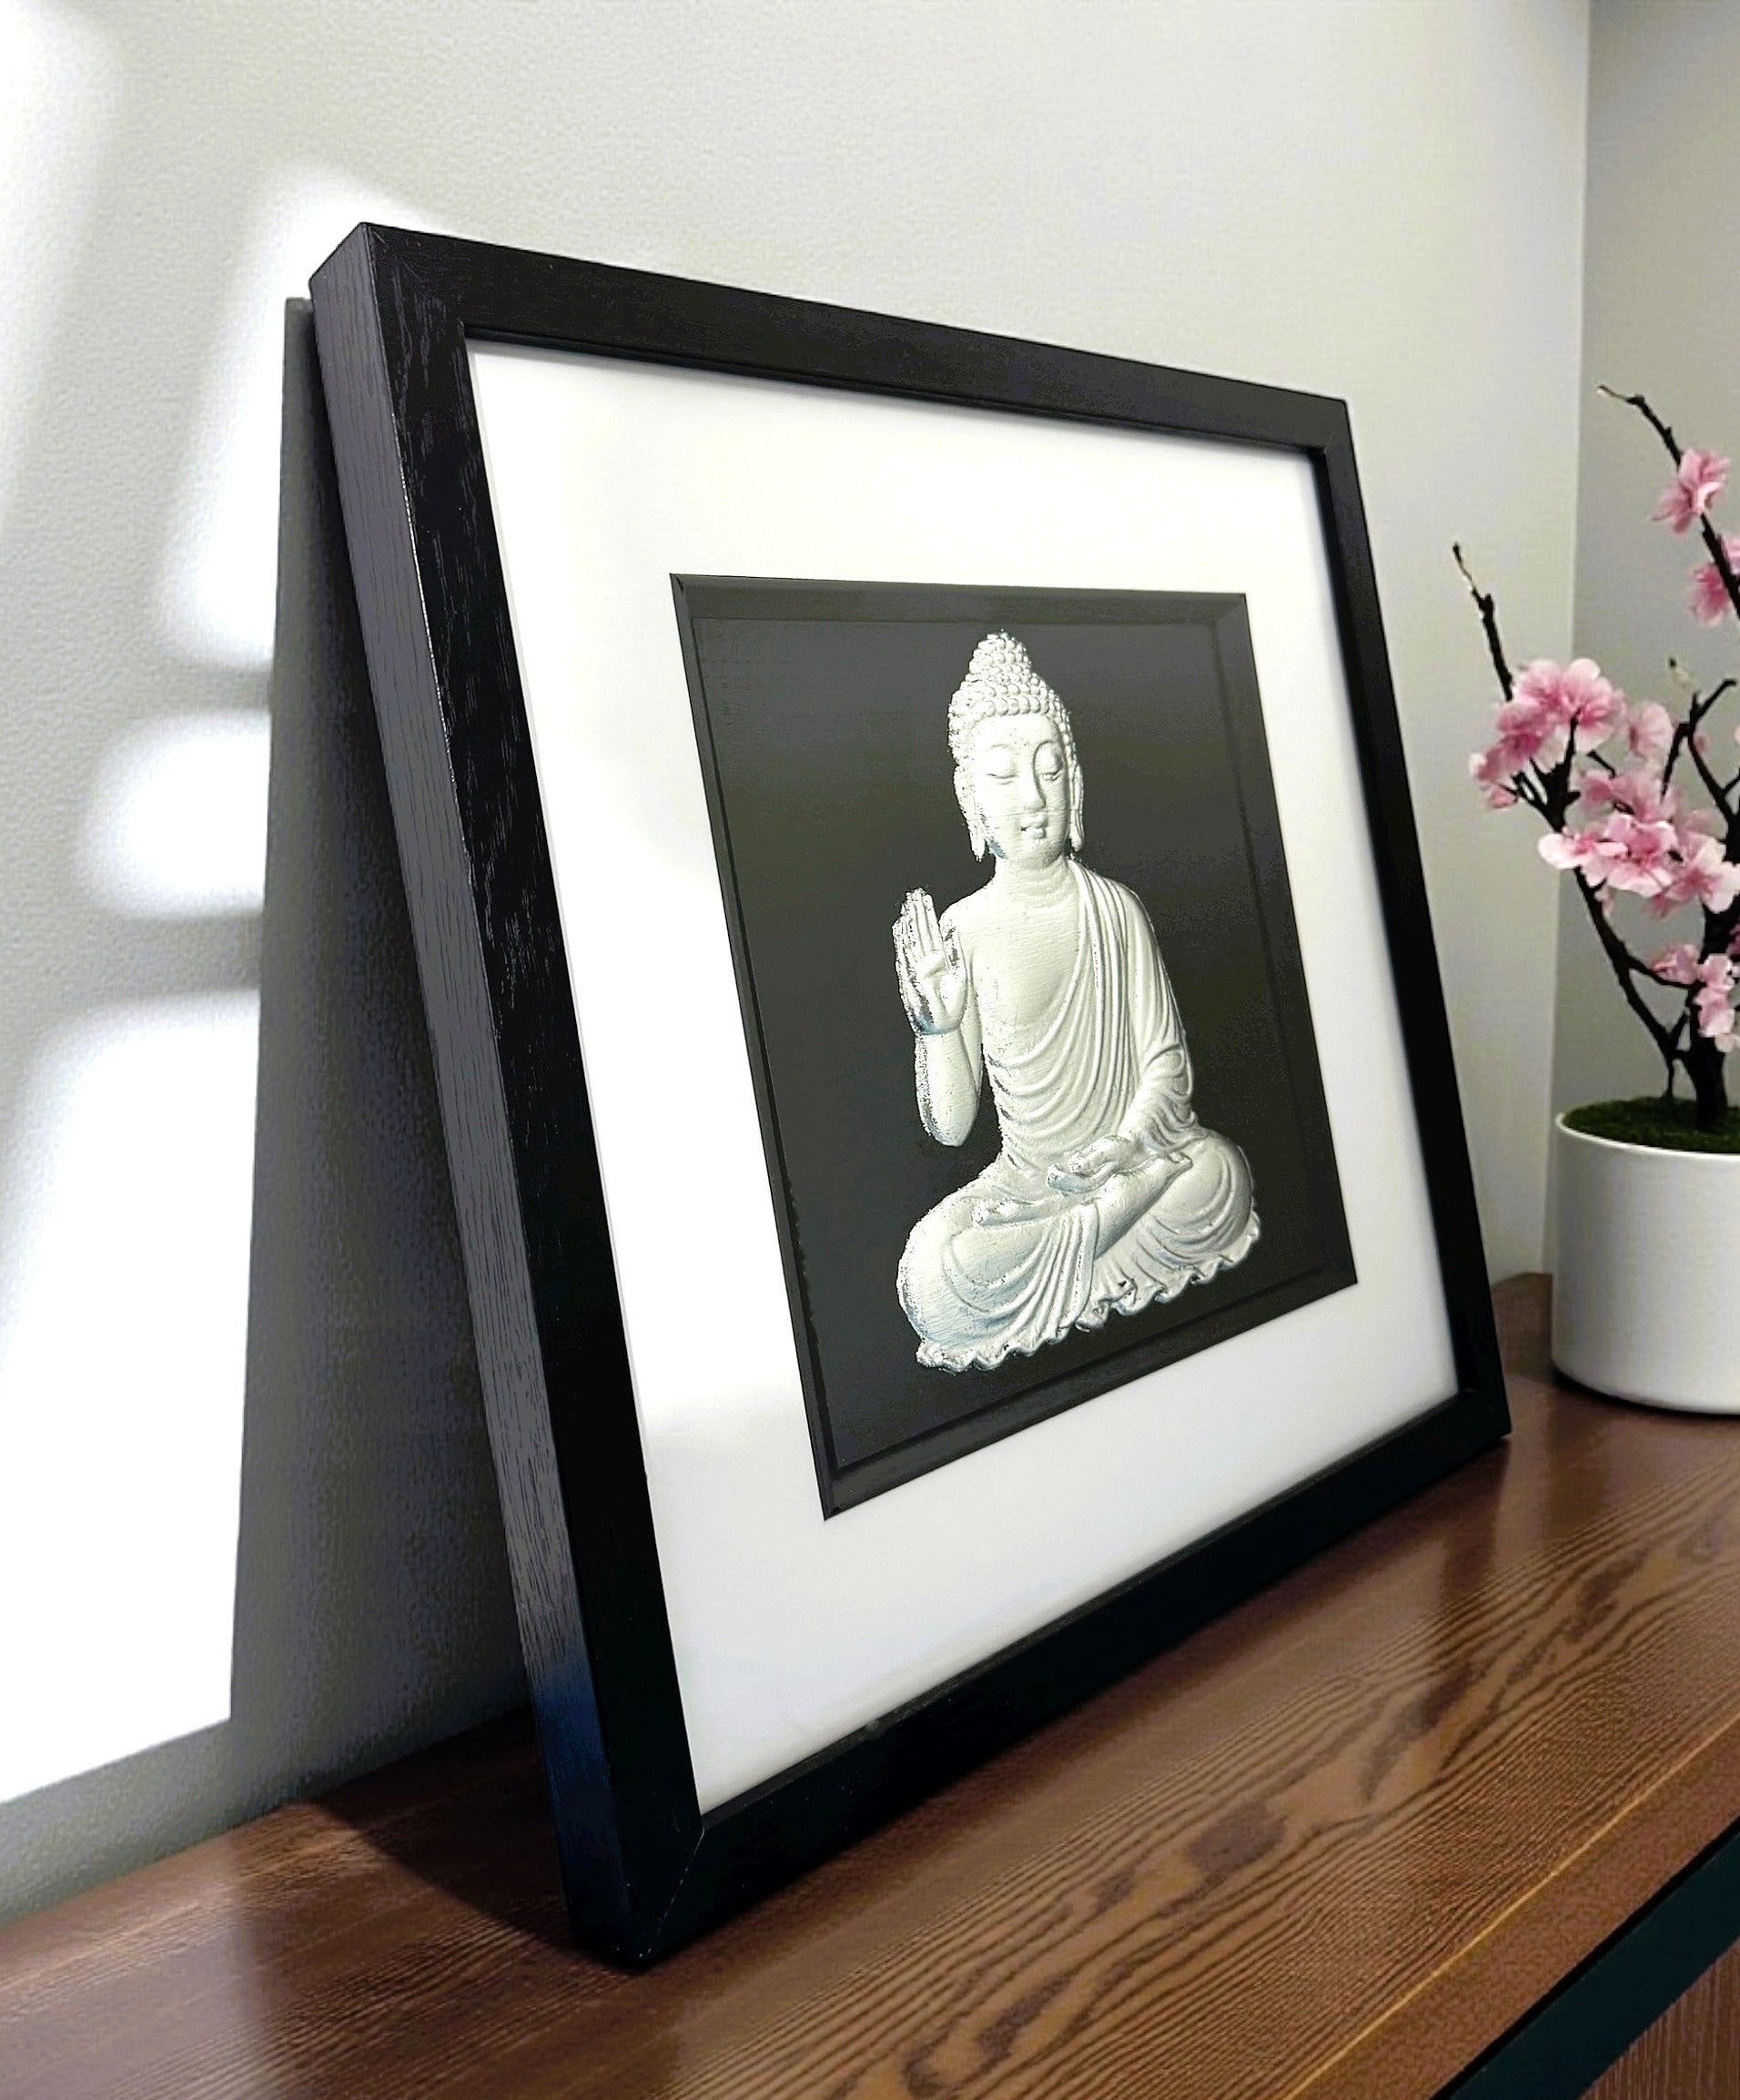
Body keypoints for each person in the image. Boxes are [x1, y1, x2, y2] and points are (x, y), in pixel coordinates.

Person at [892, 631, 1258, 1372]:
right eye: (1004, 776)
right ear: (971, 797)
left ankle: (1104, 1222)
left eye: (1050, 769)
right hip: (1031, 1180)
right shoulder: (962, 930)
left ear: (1076, 782)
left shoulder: (1117, 909)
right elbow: (954, 1125)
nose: (1033, 797)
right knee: (936, 1271)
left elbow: (1166, 1069)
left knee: (1219, 1175)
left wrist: (1124, 1146)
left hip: (1131, 1157)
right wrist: (937, 1026)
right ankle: (1100, 1230)